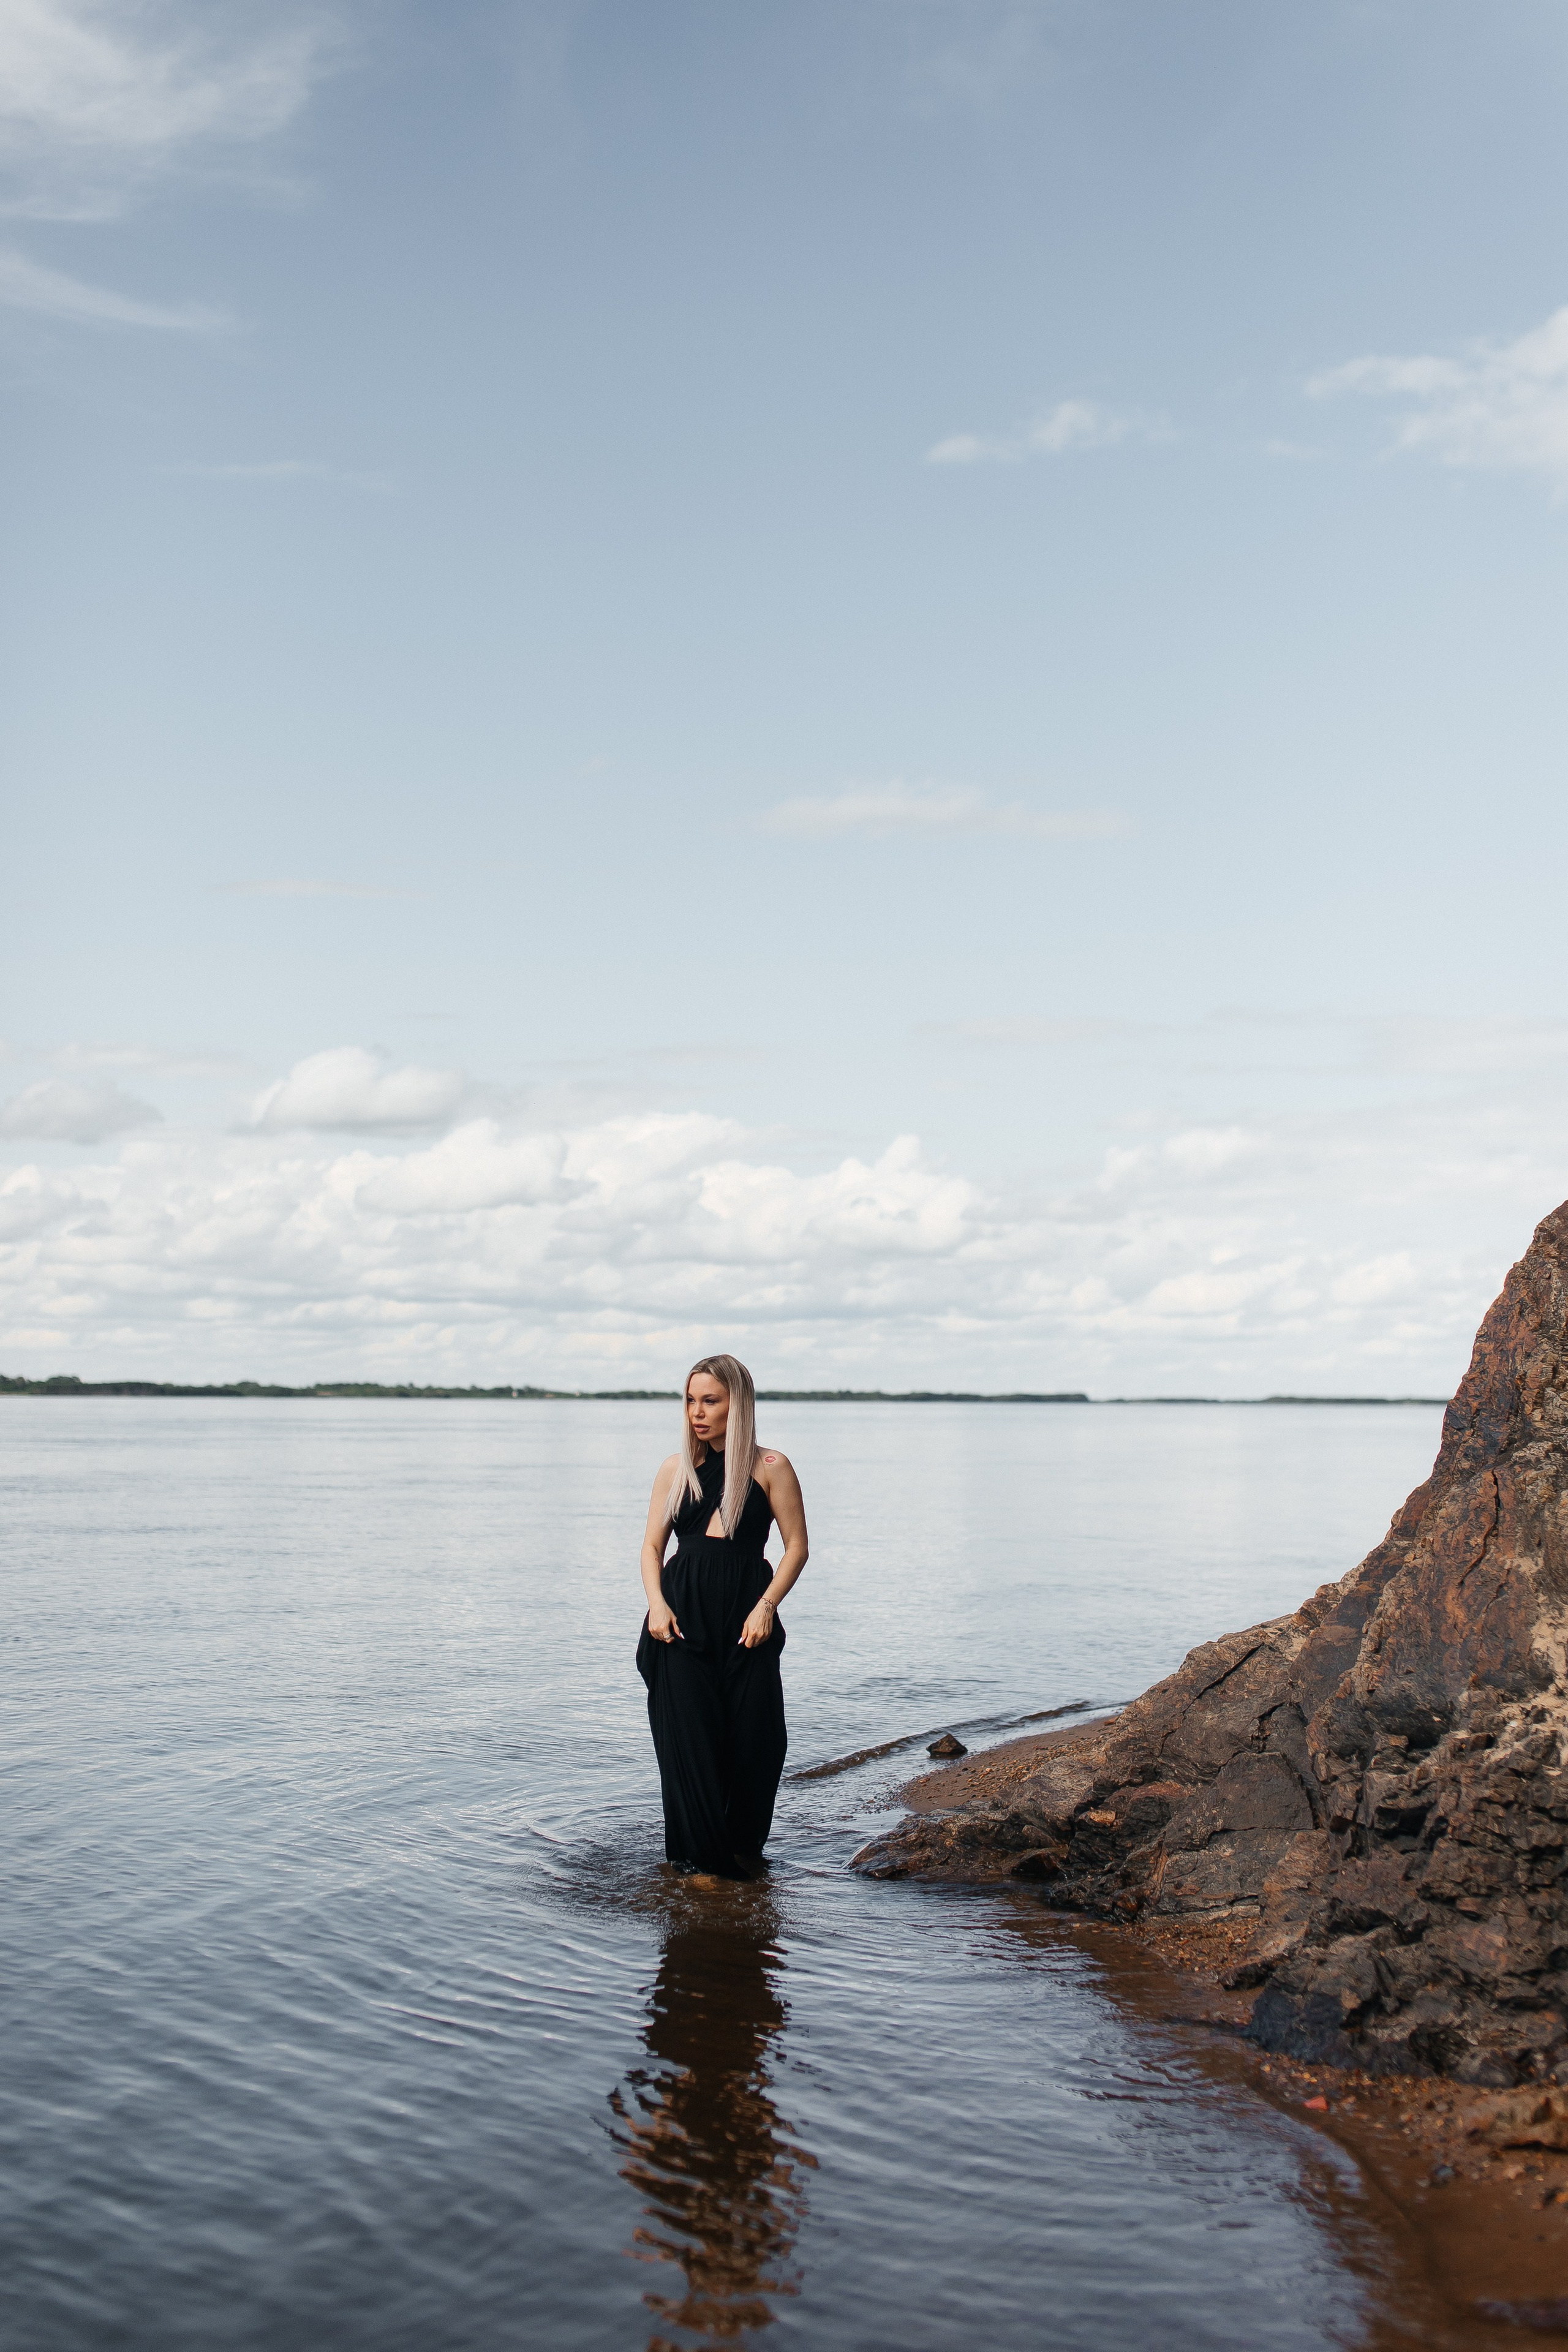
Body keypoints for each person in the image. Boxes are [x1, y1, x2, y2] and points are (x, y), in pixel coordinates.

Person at [636, 1355, 809, 1879]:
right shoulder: (676, 1468)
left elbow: (797, 1548)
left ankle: (740, 1852)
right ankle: (701, 1869)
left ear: (739, 1403)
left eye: (710, 1400)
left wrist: (767, 1607)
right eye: (691, 1400)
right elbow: (651, 1546)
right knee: (689, 1746)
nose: (697, 1412)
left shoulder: (772, 1467)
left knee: (758, 1743)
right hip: (680, 1621)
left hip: (746, 1622)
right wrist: (657, 1606)